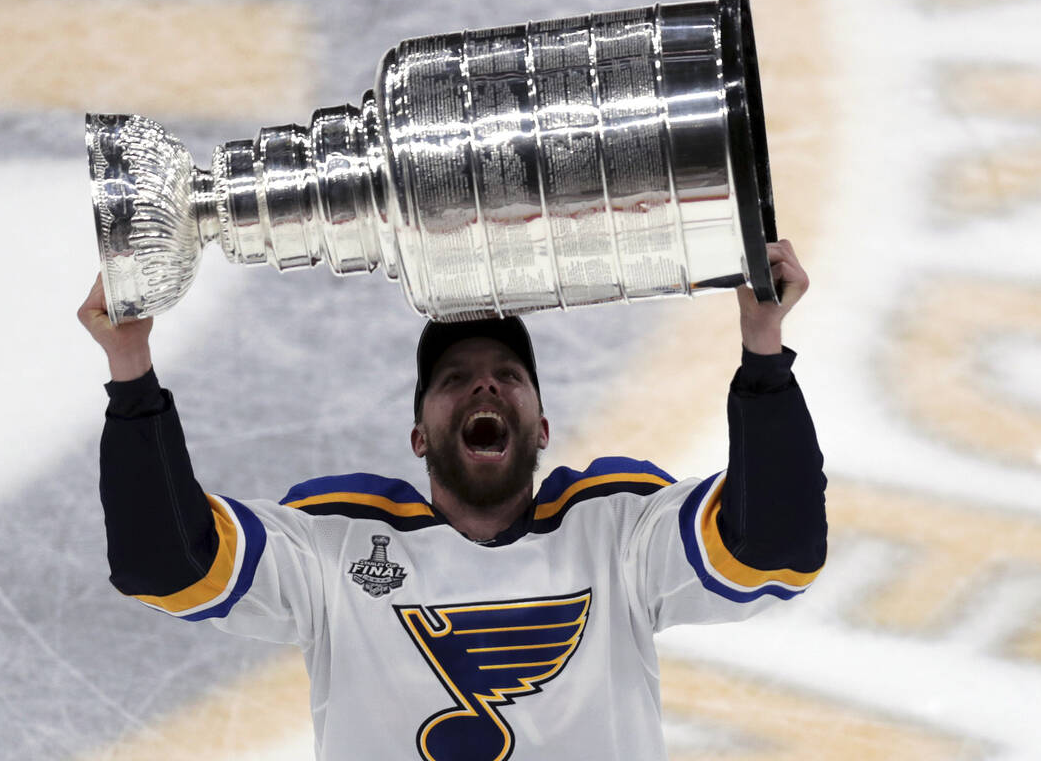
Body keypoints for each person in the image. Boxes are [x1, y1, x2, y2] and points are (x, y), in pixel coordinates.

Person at [78, 239, 827, 761]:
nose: (483, 384)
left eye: (508, 373)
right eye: (453, 379)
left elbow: (777, 545)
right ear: (418, 436)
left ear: (541, 427)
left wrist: (764, 349)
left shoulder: (614, 527)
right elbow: (165, 563)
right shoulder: (338, 541)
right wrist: (130, 365)